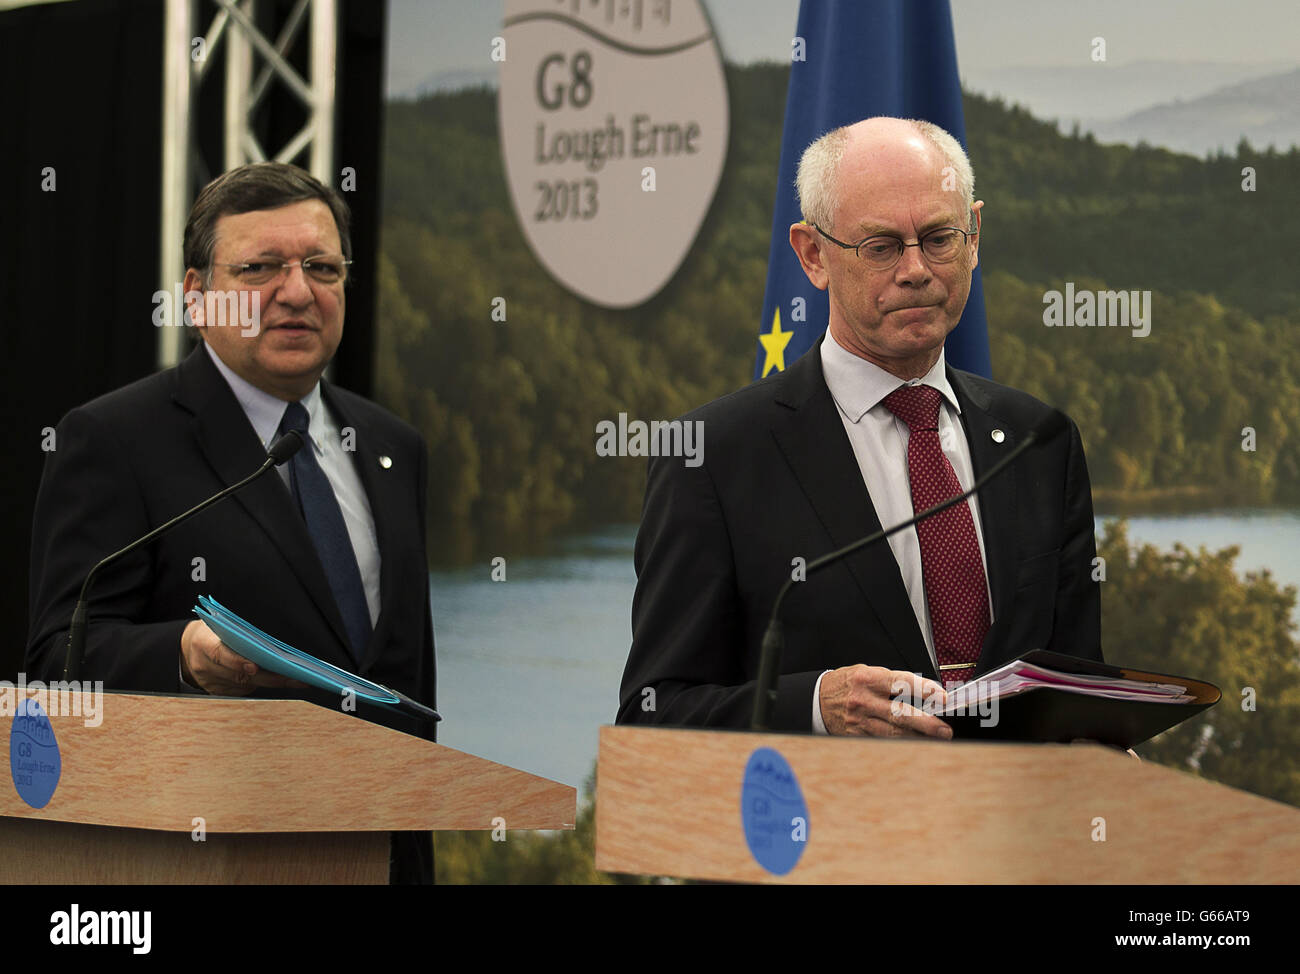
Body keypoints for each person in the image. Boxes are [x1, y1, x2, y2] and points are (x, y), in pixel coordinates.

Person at [617, 117, 1102, 737]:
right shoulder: (714, 457)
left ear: (974, 236)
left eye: (938, 238)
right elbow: (653, 713)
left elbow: (1079, 681)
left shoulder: (1041, 443)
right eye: (881, 247)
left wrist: (1101, 744)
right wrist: (814, 707)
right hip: (826, 829)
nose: (916, 270)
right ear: (812, 254)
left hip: (1013, 832)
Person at [26, 162, 436, 882]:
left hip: (380, 855)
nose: (298, 292)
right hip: (207, 857)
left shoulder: (393, 448)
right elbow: (59, 660)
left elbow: (406, 686)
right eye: (260, 269)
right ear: (196, 295)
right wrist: (182, 656)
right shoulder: (115, 439)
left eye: (322, 266)